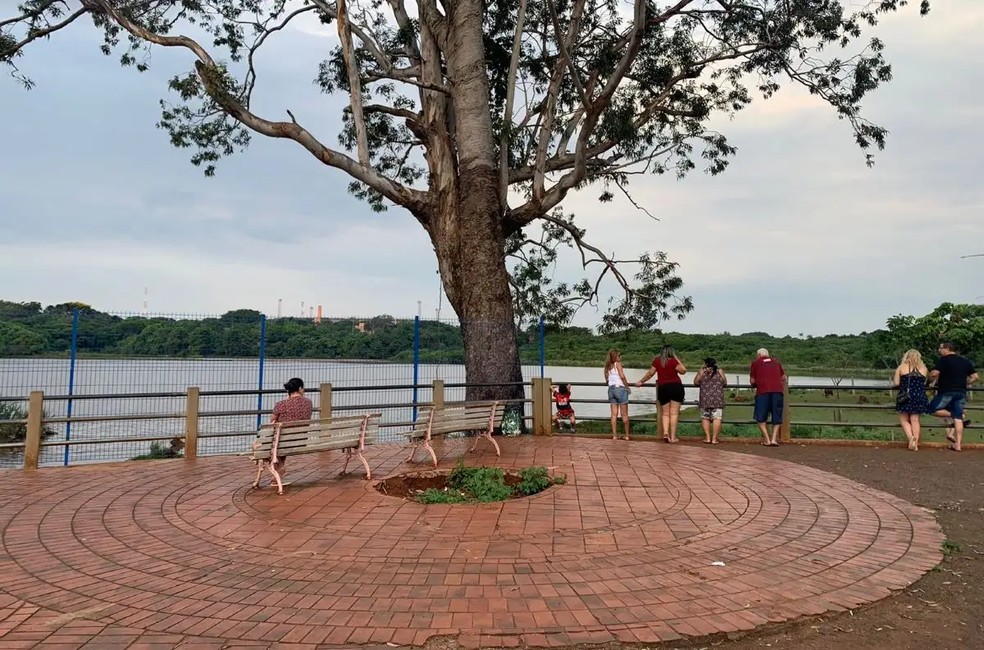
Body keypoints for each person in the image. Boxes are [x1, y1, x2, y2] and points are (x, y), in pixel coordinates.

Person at [926, 341, 978, 452]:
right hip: (961, 392)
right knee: (958, 417)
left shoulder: (943, 360)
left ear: (947, 349)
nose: (939, 351)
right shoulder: (965, 361)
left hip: (947, 391)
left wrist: (929, 381)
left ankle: (954, 414)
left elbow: (934, 374)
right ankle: (958, 445)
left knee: (930, 409)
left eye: (940, 348)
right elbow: (975, 376)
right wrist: (966, 383)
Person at [636, 345, 686, 443]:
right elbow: (683, 371)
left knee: (665, 413)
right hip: (676, 387)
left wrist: (641, 381)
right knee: (674, 413)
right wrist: (676, 358)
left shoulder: (657, 361)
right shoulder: (673, 361)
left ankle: (665, 433)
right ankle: (673, 437)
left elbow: (650, 373)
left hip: (663, 388)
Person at [268, 377, 313, 481]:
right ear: (300, 388)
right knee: (281, 443)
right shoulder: (308, 403)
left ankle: (279, 469)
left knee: (263, 444)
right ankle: (280, 468)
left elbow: (272, 422)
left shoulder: (281, 404)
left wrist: (287, 399)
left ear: (288, 390)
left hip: (283, 441)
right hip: (301, 440)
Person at [892, 349, 929, 451]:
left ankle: (911, 438)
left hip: (905, 396)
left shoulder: (901, 367)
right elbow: (924, 382)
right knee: (915, 420)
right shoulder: (924, 368)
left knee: (904, 419)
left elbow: (896, 383)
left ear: (906, 356)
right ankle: (915, 443)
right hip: (919, 395)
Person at [749, 348, 785, 446]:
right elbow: (783, 377)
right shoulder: (777, 363)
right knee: (777, 416)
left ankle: (767, 439)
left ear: (759, 355)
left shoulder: (756, 363)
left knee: (760, 416)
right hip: (777, 392)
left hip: (763, 392)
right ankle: (774, 439)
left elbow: (752, 381)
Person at [695, 357, 727, 444]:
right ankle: (714, 439)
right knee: (717, 418)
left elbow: (696, 382)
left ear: (705, 363)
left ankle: (707, 438)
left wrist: (701, 371)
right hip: (717, 398)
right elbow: (725, 382)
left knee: (705, 417)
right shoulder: (720, 371)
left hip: (705, 398)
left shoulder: (702, 371)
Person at [605, 349, 632, 440]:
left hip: (611, 389)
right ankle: (627, 435)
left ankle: (614, 435)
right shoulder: (618, 364)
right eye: (619, 355)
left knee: (614, 414)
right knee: (624, 414)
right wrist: (627, 387)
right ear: (615, 357)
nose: (621, 357)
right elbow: (622, 376)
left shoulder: (608, 366)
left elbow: (607, 379)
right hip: (620, 389)